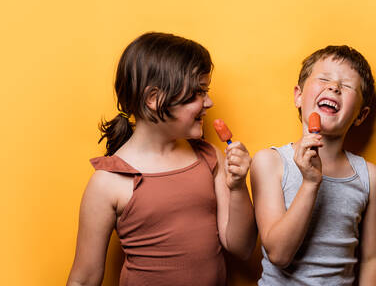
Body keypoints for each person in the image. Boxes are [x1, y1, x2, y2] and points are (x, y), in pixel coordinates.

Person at [67, 32, 257, 286]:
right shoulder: (108, 181)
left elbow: (241, 247)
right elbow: (84, 278)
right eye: (199, 92)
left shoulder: (210, 158)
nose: (209, 102)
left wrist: (238, 187)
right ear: (154, 99)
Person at [251, 45, 376, 285]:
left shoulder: (369, 177)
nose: (334, 87)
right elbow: (279, 255)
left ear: (361, 115)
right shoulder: (269, 162)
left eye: (347, 86)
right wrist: (311, 184)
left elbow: (372, 259)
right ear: (298, 96)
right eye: (324, 79)